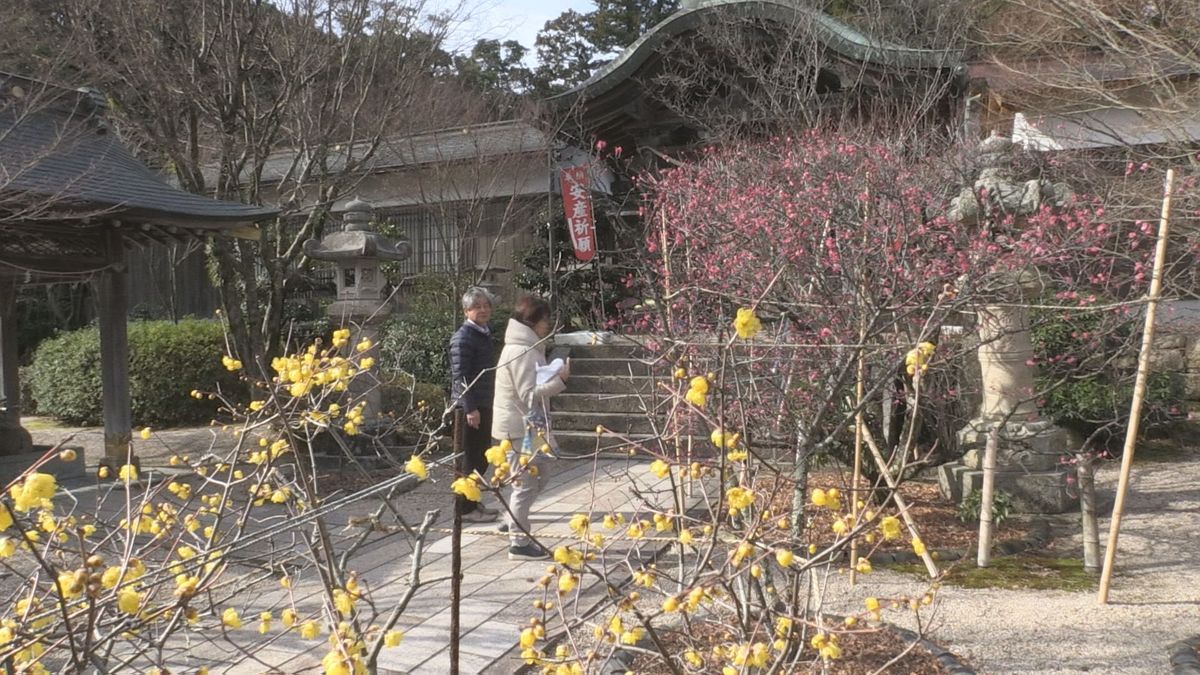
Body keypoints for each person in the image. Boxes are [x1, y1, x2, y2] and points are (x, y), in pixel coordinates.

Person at [492, 294, 570, 560]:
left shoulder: (527, 346)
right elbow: (528, 394)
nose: (548, 325)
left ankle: (510, 517)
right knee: (525, 484)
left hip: (529, 425)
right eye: (546, 319)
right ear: (533, 321)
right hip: (518, 428)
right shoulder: (522, 350)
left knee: (541, 475)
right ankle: (519, 542)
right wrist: (560, 380)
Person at [448, 287, 500, 523]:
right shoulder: (463, 338)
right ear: (466, 310)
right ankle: (465, 509)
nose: (483, 310)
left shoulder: (483, 333)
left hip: (484, 401)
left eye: (486, 305)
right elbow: (461, 376)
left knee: (481, 457)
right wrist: (470, 408)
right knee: (471, 459)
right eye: (477, 306)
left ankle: (472, 501)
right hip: (469, 407)